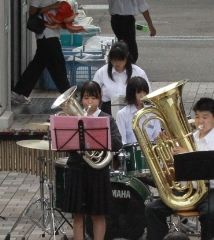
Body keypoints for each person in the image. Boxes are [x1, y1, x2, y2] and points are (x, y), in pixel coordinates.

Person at [145, 97, 214, 240]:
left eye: (205, 117)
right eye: (197, 117)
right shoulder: (190, 138)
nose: (200, 121)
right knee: (152, 209)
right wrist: (168, 152)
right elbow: (175, 168)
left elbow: (213, 171)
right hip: (187, 190)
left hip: (211, 191)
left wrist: (187, 156)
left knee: (210, 213)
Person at [59, 81, 122, 240]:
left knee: (98, 214)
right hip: (77, 169)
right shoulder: (73, 120)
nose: (89, 102)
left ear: (100, 98)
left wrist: (101, 141)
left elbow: (117, 142)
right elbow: (65, 144)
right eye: (86, 98)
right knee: (78, 215)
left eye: (93, 98)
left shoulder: (106, 119)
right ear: (81, 100)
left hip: (98, 171)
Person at [12, 0, 71, 104]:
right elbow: (32, 11)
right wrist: (53, 6)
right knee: (58, 65)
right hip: (46, 35)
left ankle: (18, 92)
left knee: (37, 65)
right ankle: (67, 95)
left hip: (52, 33)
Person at [92, 42, 150, 115]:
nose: (117, 63)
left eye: (120, 60)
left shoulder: (138, 72)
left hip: (133, 111)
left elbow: (148, 95)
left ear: (127, 56)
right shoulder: (102, 72)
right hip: (108, 112)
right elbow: (93, 92)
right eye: (114, 60)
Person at [115, 77, 160, 148]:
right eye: (139, 92)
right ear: (132, 94)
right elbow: (122, 141)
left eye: (144, 92)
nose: (142, 95)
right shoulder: (122, 114)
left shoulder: (152, 112)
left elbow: (157, 135)